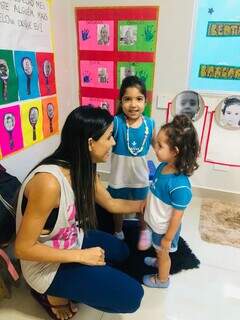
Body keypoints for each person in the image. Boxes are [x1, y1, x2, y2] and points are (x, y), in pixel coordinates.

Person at [15, 106, 144, 320]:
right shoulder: (48, 184)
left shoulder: (84, 166)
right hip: (44, 266)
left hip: (70, 238)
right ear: (90, 143)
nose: (113, 143)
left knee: (121, 251)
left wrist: (145, 206)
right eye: (109, 137)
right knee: (132, 297)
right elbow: (22, 248)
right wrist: (81, 256)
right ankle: (51, 295)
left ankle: (75, 282)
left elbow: (111, 204)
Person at [142, 115, 199, 288]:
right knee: (158, 251)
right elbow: (153, 188)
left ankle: (162, 279)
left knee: (163, 253)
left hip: (165, 230)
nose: (156, 149)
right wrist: (146, 203)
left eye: (160, 146)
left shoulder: (180, 186)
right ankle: (159, 261)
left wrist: (168, 238)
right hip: (156, 222)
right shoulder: (162, 166)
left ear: (175, 151)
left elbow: (177, 217)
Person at [108, 76, 156, 250]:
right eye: (127, 99)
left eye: (139, 99)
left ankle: (144, 230)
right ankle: (118, 231)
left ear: (145, 101)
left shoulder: (150, 124)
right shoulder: (116, 122)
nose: (133, 104)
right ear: (120, 101)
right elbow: (103, 141)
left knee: (142, 207)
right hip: (118, 177)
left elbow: (158, 146)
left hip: (140, 177)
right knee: (117, 207)